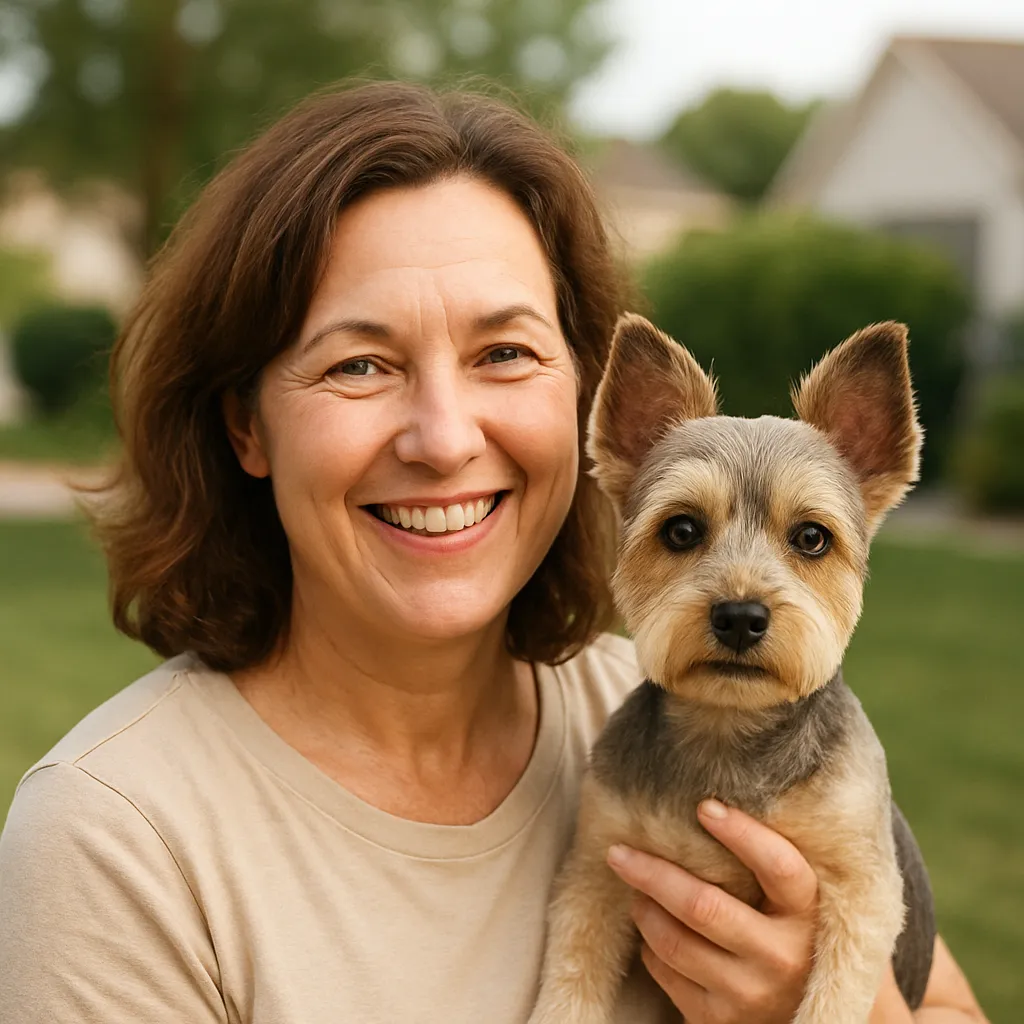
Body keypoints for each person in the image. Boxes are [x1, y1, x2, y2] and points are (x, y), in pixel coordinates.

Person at [0, 81, 985, 1024]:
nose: (443, 436)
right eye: (360, 363)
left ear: (585, 404)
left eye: (503, 353)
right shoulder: (116, 841)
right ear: (247, 428)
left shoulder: (646, 703)